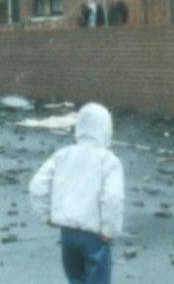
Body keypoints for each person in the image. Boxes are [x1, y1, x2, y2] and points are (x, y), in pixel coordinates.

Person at [29, 103, 124, 284]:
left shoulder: (62, 155)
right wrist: (110, 230)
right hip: (95, 235)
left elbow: (37, 186)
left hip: (68, 234)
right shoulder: (109, 161)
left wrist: (45, 215)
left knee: (76, 279)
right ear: (106, 129)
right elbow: (113, 198)